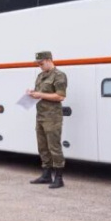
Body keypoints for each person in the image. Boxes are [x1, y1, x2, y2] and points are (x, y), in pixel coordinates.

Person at [28, 51, 68, 189]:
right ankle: (46, 174)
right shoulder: (40, 76)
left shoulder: (59, 76)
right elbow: (40, 93)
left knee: (54, 147)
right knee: (42, 146)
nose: (39, 66)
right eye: (38, 64)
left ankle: (58, 177)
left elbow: (60, 96)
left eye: (41, 63)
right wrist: (33, 93)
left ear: (49, 60)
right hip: (41, 115)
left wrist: (40, 94)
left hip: (52, 117)